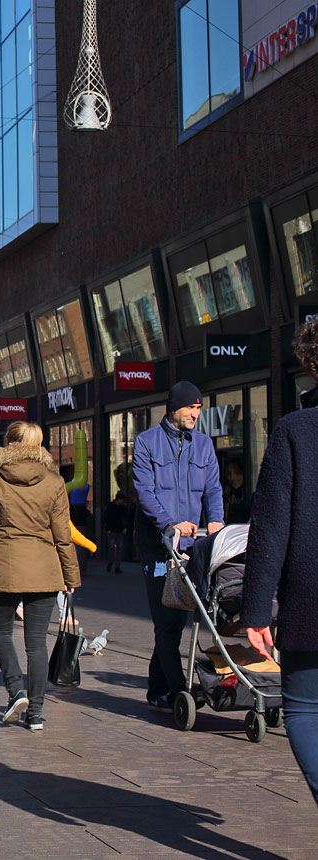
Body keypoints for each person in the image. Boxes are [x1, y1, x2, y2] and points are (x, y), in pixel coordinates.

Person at [0, 422, 81, 732]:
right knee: (37, 643)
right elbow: (63, 534)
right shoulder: (54, 480)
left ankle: (16, 690)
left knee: (0, 632)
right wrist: (70, 575)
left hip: (7, 566)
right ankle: (37, 713)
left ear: (9, 443)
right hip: (45, 568)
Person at [243, 320, 318, 806]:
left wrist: (254, 610)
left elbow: (271, 527)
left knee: (307, 710)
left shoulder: (295, 431)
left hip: (310, 597)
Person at [131, 381, 224, 713]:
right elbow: (146, 493)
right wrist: (169, 524)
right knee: (167, 620)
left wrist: (216, 520)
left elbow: (213, 487)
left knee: (176, 622)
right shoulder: (146, 443)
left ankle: (156, 689)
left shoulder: (203, 445)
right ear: (174, 408)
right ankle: (176, 691)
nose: (195, 414)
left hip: (193, 546)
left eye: (199, 408)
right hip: (159, 547)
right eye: (190, 408)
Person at [103, 492, 130, 574]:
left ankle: (116, 566)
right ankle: (111, 562)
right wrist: (108, 528)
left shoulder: (122, 508)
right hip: (112, 530)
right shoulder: (111, 507)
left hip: (119, 530)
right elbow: (106, 518)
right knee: (112, 548)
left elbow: (127, 518)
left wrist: (125, 527)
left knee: (118, 549)